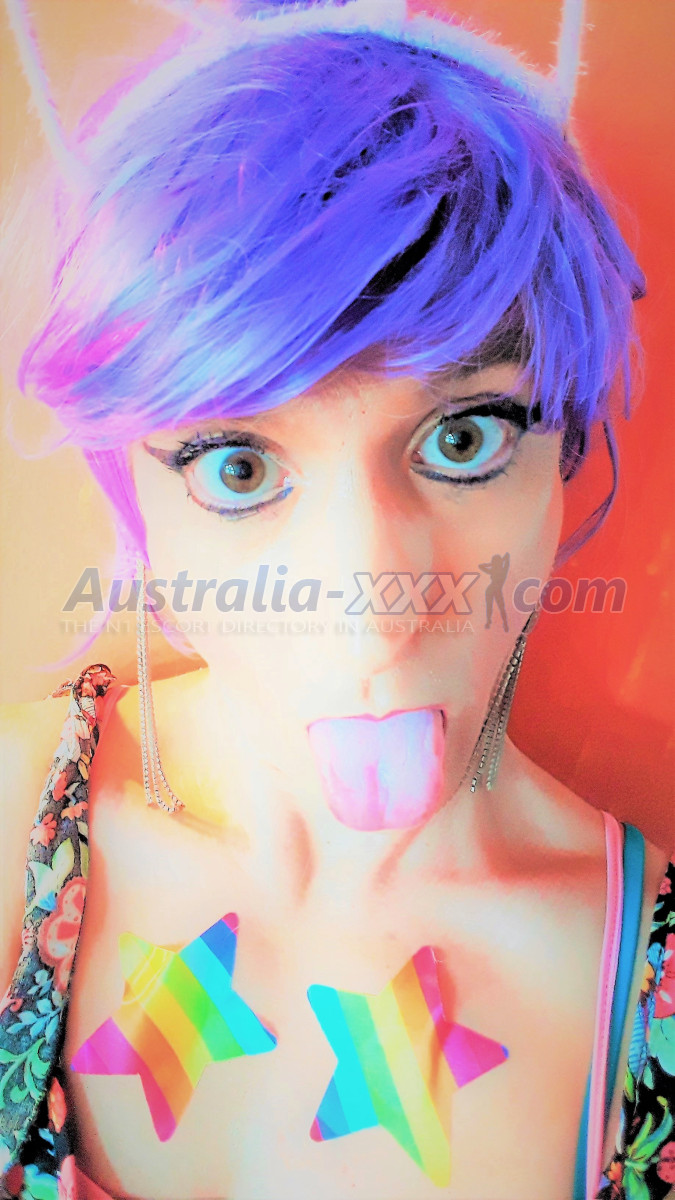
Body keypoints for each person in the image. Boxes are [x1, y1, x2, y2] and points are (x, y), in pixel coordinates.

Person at [1, 2, 673, 1198]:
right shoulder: (16, 820)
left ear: (562, 455)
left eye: (464, 438)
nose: (371, 615)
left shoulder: (639, 998)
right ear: (132, 498)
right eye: (236, 466)